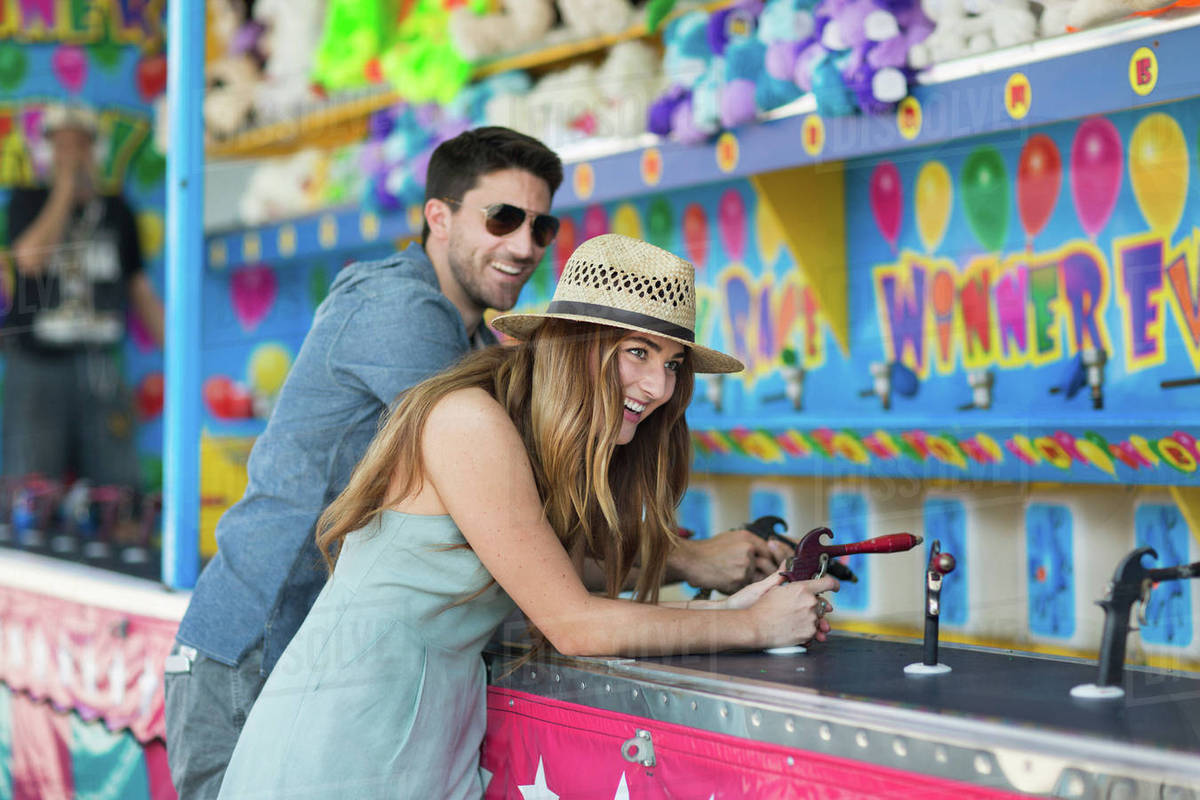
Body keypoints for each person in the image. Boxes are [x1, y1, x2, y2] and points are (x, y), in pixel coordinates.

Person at [165, 127, 784, 799]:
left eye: (542, 226)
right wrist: (714, 588)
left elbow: (519, 549)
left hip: (400, 721)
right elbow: (544, 578)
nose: (523, 244)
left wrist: (705, 574)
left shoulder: (472, 352)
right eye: (502, 218)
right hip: (259, 646)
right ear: (439, 215)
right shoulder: (409, 325)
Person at [3, 103, 164, 489]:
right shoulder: (28, 200)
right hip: (36, 364)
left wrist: (179, 355)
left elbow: (138, 287)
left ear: (96, 152)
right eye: (60, 146)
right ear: (46, 153)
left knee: (118, 483)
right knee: (32, 485)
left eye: (80, 146)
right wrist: (63, 191)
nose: (72, 155)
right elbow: (29, 260)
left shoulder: (117, 210)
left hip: (100, 365)